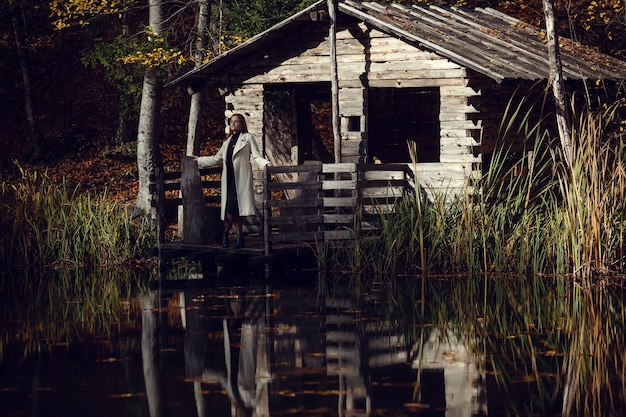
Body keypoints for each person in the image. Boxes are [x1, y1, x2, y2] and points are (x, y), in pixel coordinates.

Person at [196, 114, 271, 249]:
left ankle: (227, 236)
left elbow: (256, 155)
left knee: (235, 208)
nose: (233, 124)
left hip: (241, 179)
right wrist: (199, 161)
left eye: (236, 122)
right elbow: (216, 158)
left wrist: (265, 164)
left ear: (242, 124)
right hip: (229, 179)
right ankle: (238, 237)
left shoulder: (247, 138)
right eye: (231, 122)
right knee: (231, 209)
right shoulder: (227, 141)